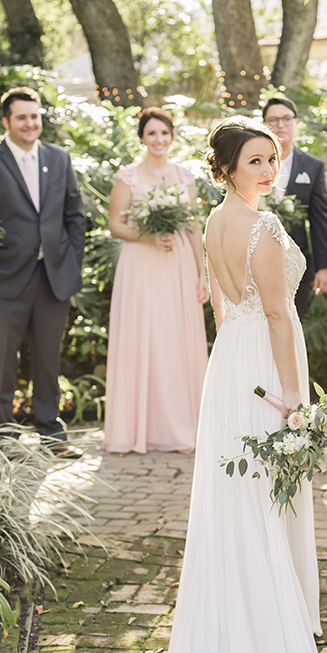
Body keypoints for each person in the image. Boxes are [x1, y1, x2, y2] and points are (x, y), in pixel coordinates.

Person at [131, 117, 327, 653]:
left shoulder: (213, 224)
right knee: (260, 498)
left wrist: (238, 366)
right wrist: (290, 393)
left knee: (240, 496)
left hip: (231, 364)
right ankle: (263, 638)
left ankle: (240, 623)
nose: (267, 169)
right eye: (255, 160)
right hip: (262, 370)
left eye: (272, 158)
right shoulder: (258, 229)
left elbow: (223, 308)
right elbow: (280, 316)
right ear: (226, 167)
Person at [0, 87, 86, 455]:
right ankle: (5, 438)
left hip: (53, 275)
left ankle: (52, 434)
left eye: (35, 116)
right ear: (6, 121)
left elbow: (74, 215)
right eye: (22, 117)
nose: (30, 123)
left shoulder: (59, 157)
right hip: (2, 278)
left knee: (49, 358)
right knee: (2, 360)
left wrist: (69, 260)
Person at [104, 107, 208, 454]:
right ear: (142, 138)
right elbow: (115, 224)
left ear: (172, 136)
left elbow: (193, 226)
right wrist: (147, 236)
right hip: (141, 263)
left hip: (176, 264)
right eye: (152, 134)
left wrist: (201, 273)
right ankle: (129, 431)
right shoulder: (128, 177)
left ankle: (181, 429)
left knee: (174, 340)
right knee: (141, 338)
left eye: (164, 133)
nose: (159, 140)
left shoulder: (184, 176)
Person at [262, 95, 327, 318]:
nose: (280, 125)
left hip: (297, 260)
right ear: (263, 124)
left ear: (296, 122)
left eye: (286, 119)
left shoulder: (313, 166)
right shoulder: (252, 161)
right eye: (273, 120)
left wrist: (325, 267)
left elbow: (319, 218)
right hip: (257, 255)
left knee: (292, 320)